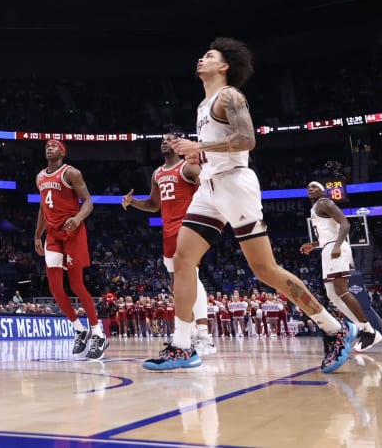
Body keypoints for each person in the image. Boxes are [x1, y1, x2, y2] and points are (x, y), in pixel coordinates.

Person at [145, 38, 355, 373]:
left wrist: (201, 146)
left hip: (234, 183)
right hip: (209, 187)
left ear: (224, 66)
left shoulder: (229, 95)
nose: (201, 58)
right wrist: (202, 152)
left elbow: (247, 139)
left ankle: (334, 329)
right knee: (182, 260)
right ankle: (182, 345)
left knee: (264, 270)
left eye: (209, 56)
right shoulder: (203, 106)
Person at [122, 133, 215, 355]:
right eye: (162, 139)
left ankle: (204, 335)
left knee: (191, 276)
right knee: (176, 284)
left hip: (188, 227)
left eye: (169, 139)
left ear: (178, 145)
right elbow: (154, 205)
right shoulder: (157, 173)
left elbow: (211, 184)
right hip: (168, 230)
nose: (164, 142)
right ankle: (190, 332)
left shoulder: (188, 168)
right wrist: (132, 202)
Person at [34, 139, 107, 360]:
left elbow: (88, 202)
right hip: (53, 235)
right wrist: (38, 235)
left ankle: (98, 333)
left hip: (73, 231)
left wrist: (78, 218)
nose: (49, 147)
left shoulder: (71, 173)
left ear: (62, 153)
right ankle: (79, 329)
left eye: (54, 145)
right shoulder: (39, 177)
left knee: (76, 284)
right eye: (47, 145)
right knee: (55, 288)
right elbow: (43, 207)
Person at [301, 181, 382, 352]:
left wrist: (338, 246)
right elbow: (327, 233)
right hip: (327, 247)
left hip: (335, 247)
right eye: (308, 187)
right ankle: (362, 328)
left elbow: (345, 223)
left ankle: (368, 330)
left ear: (322, 191)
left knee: (342, 291)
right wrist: (313, 244)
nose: (310, 189)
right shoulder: (315, 208)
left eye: (315, 187)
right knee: (332, 295)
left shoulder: (325, 202)